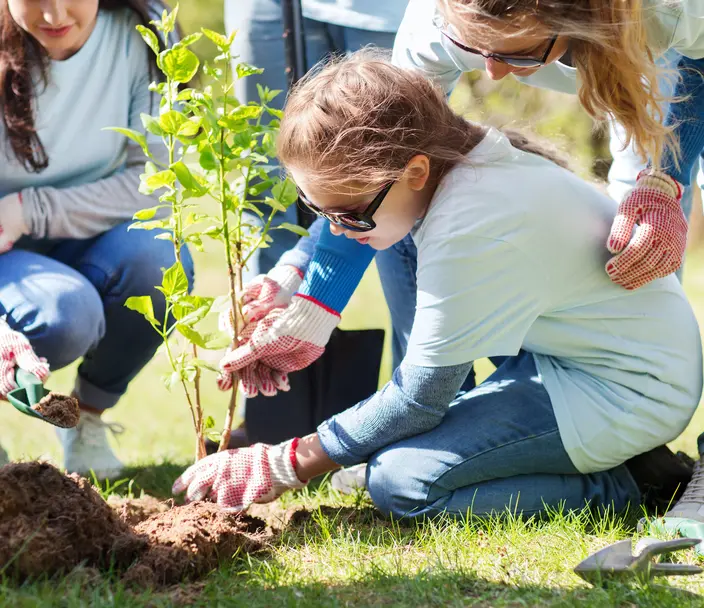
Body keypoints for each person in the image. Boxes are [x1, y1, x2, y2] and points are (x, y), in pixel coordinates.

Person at [173, 52, 703, 520]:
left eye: (350, 216)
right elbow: (415, 395)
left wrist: (286, 462)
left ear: (416, 171)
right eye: (320, 211)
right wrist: (299, 285)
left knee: (403, 483)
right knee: (387, 455)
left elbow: (419, 400)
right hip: (574, 362)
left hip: (628, 389)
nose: (336, 231)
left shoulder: (469, 225)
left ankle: (630, 482)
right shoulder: (457, 169)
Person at [0, 0, 193, 477]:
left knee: (159, 262)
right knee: (65, 314)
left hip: (89, 233)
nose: (55, 13)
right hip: (5, 253)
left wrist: (31, 209)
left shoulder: (145, 35)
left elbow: (152, 182)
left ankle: (85, 420)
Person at [217, 0, 409, 447]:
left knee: (389, 178)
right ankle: (272, 411)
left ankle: (420, 393)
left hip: (382, 12)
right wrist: (293, 273)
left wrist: (317, 300)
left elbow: (377, 192)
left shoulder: (425, 42)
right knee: (272, 184)